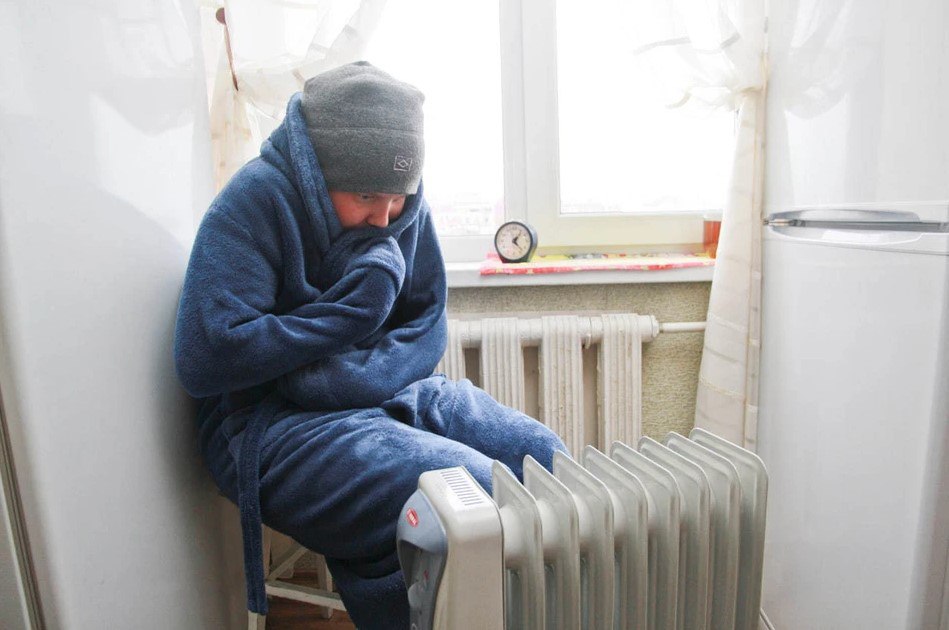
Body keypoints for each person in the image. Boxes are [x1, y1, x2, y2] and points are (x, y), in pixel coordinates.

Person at [173, 61, 567, 628]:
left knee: (541, 458)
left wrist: (346, 378)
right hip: (264, 420)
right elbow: (205, 358)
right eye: (364, 196)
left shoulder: (403, 210)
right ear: (316, 173)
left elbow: (425, 325)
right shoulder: (254, 200)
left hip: (382, 390)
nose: (384, 219)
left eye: (397, 198)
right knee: (464, 495)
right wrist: (349, 317)